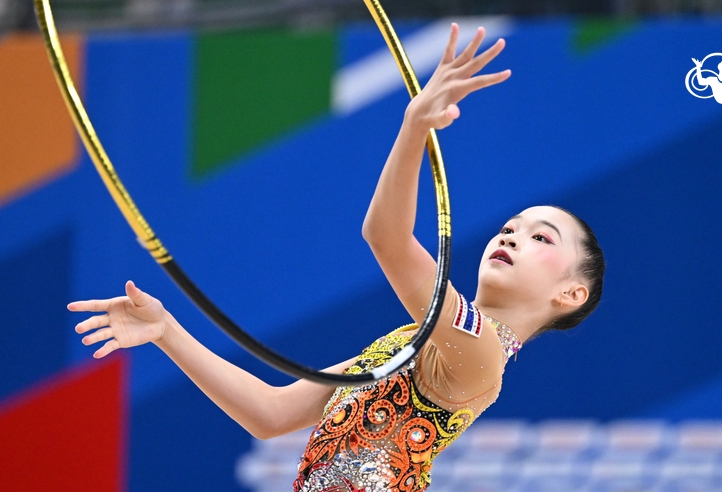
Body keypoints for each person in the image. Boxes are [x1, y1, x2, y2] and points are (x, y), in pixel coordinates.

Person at [69, 24, 605, 492]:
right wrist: (167, 331)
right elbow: (270, 414)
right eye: (511, 227)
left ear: (570, 294)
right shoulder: (409, 343)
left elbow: (386, 239)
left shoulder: (481, 359)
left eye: (542, 238)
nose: (511, 236)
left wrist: (415, 127)